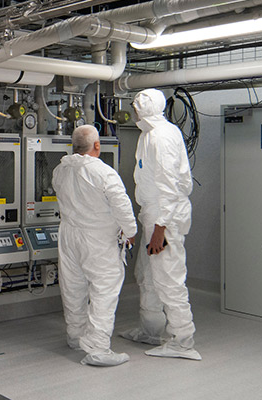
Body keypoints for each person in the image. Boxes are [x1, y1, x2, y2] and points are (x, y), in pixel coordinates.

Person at [118, 88, 201, 361]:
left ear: (146, 108)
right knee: (147, 275)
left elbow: (170, 186)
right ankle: (152, 330)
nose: (133, 109)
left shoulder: (161, 137)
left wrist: (161, 229)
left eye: (136, 105)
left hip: (164, 218)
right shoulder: (150, 134)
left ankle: (182, 340)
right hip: (153, 215)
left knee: (168, 279)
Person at [51, 125, 138, 367]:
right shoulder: (104, 172)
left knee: (73, 288)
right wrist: (130, 232)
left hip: (69, 236)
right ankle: (99, 349)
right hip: (98, 238)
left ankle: (76, 337)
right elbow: (122, 205)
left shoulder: (60, 170)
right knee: (104, 290)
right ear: (97, 145)